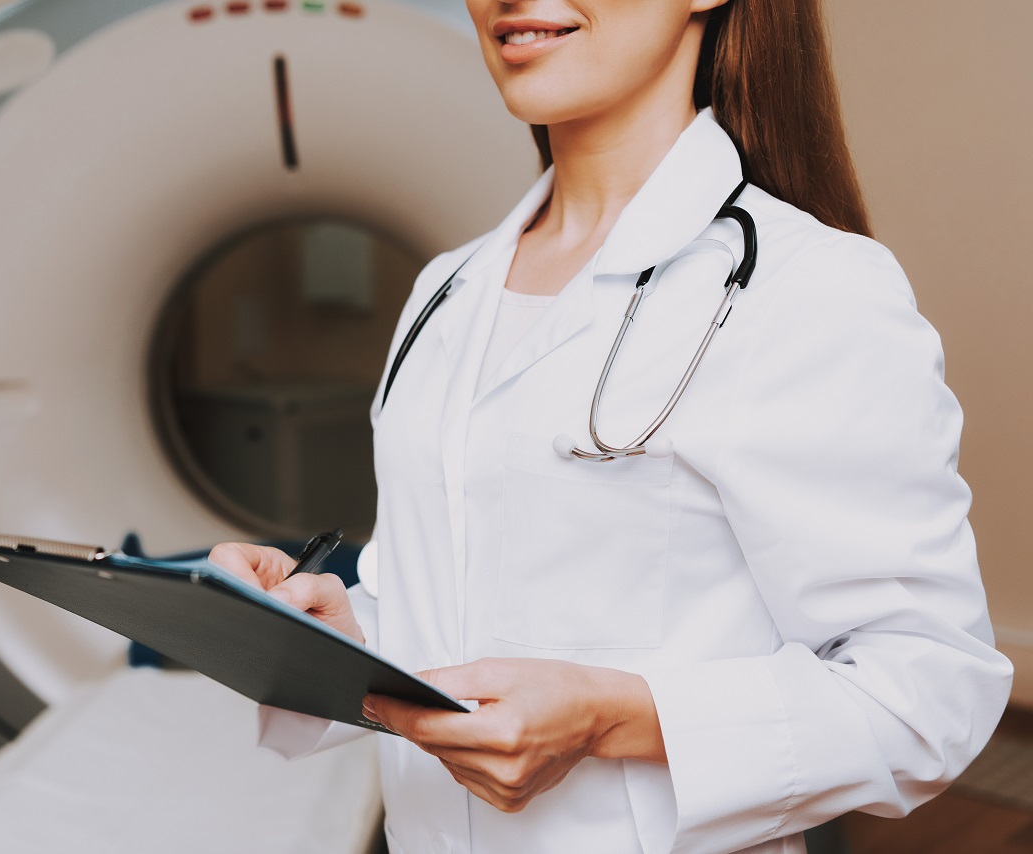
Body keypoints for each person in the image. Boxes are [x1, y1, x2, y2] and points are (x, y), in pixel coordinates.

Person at [209, 0, 1014, 851]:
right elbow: (454, 604)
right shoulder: (449, 289)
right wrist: (337, 634)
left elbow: (928, 694)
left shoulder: (809, 290)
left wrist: (613, 719)